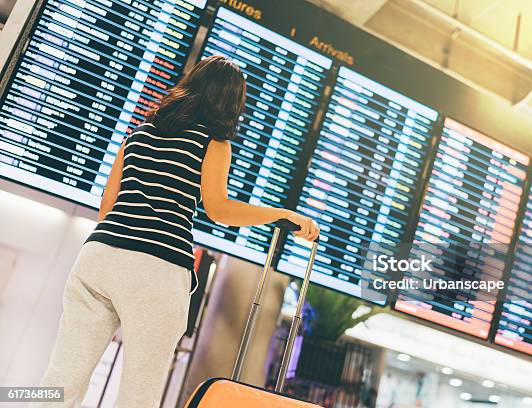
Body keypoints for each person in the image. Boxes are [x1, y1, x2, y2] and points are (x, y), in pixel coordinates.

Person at [38, 56, 320, 407]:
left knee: (62, 379)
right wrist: (281, 213)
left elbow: (107, 207)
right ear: (231, 103)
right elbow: (219, 209)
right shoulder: (212, 143)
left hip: (98, 257)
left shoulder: (138, 135)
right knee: (138, 394)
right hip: (158, 268)